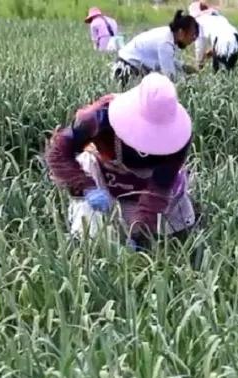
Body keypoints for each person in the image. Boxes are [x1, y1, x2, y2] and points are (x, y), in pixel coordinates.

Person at [44, 73, 199, 255]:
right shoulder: (97, 117)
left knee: (173, 228)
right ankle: (89, 240)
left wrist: (140, 232)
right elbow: (59, 152)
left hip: (145, 183)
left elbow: (160, 187)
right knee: (93, 232)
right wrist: (86, 186)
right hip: (106, 175)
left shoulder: (178, 138)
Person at [112, 10, 200, 87]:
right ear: (181, 32)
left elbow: (168, 61)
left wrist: (183, 67)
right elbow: (170, 77)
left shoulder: (167, 34)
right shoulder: (166, 43)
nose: (192, 40)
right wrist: (188, 84)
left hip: (128, 66)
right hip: (126, 71)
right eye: (192, 36)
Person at [189, 1, 238, 72]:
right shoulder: (219, 17)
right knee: (230, 71)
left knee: (218, 73)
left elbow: (199, 47)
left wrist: (199, 65)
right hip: (237, 42)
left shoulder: (199, 21)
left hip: (222, 44)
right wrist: (212, 51)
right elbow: (226, 36)